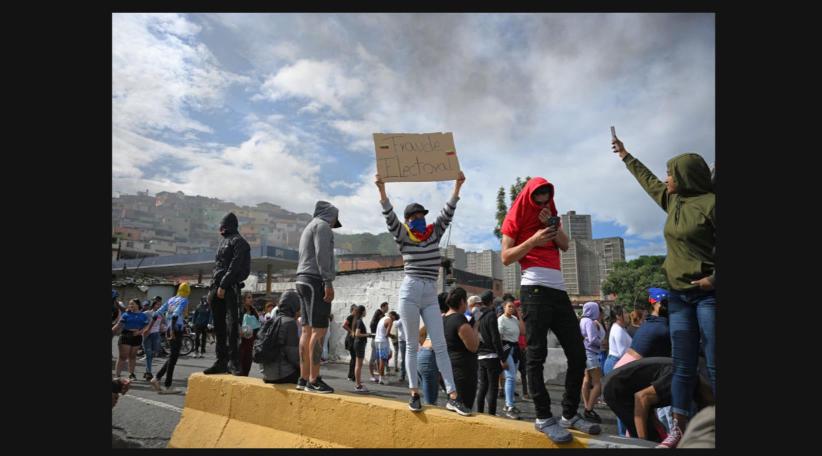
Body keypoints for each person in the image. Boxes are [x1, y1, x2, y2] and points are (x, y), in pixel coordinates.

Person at [613, 136, 715, 448]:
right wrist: (627, 155)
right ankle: (680, 429)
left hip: (708, 295)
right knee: (682, 366)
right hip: (678, 297)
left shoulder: (712, 203)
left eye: (671, 173)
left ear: (685, 176)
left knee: (714, 362)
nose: (666, 178)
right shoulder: (673, 202)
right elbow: (648, 181)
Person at [500, 176, 601, 443]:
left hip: (559, 291)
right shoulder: (515, 217)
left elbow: (565, 246)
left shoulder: (550, 214)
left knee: (579, 354)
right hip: (533, 289)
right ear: (529, 197)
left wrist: (552, 225)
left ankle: (569, 414)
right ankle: (544, 417)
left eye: (547, 197)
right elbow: (506, 257)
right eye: (538, 197)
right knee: (536, 355)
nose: (543, 202)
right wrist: (533, 240)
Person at [375, 171, 472, 417]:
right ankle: (414, 394)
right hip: (410, 289)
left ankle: (452, 396)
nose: (421, 219)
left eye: (422, 216)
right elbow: (389, 215)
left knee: (440, 344)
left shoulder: (433, 233)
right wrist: (381, 189)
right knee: (410, 345)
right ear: (408, 219)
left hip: (430, 291)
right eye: (416, 216)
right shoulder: (403, 236)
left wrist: (457, 186)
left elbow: (447, 213)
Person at [602, 357, 714, 445]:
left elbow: (647, 400)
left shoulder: (690, 380)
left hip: (625, 384)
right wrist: (643, 443)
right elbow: (641, 398)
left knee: (656, 436)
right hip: (617, 388)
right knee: (647, 440)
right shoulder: (683, 379)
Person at [295, 201, 341, 394]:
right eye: (334, 221)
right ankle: (314, 380)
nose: (333, 225)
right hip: (315, 280)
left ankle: (303, 378)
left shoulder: (309, 226)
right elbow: (323, 254)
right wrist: (327, 281)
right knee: (320, 330)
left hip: (302, 278)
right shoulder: (322, 226)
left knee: (306, 331)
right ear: (330, 216)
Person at [204, 212, 251, 376]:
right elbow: (218, 266)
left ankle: (233, 362)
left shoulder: (240, 243)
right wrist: (214, 287)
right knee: (219, 326)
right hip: (217, 286)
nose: (220, 229)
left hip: (229, 287)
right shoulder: (224, 241)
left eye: (222, 226)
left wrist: (224, 284)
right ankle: (221, 361)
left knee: (232, 326)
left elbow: (237, 266)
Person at [615, 288, 671, 369]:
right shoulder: (658, 327)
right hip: (625, 376)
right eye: (665, 304)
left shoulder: (649, 325)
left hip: (621, 374)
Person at [443, 288, 480, 411]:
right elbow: (473, 346)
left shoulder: (443, 319)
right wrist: (475, 327)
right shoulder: (459, 319)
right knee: (464, 406)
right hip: (463, 370)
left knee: (454, 405)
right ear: (462, 301)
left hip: (449, 367)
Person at [150, 283, 190, 394]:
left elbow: (158, 312)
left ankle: (156, 378)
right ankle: (167, 385)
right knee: (173, 358)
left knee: (173, 356)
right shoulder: (184, 300)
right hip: (176, 329)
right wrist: (173, 329)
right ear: (187, 291)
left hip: (169, 328)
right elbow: (176, 314)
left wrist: (153, 321)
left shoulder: (171, 299)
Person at [260, 290, 302, 385]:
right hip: (281, 375)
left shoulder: (273, 320)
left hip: (267, 374)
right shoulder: (290, 323)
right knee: (308, 379)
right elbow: (293, 356)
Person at [602, 305, 632, 436]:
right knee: (622, 404)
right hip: (617, 363)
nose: (628, 315)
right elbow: (622, 353)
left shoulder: (619, 328)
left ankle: (624, 433)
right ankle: (623, 434)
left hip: (616, 363)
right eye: (625, 312)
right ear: (619, 316)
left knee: (621, 403)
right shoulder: (618, 330)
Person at [476, 290, 506, 416]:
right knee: (493, 388)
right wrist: (502, 357)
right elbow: (495, 338)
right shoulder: (491, 315)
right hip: (492, 356)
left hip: (480, 355)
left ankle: (480, 412)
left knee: (482, 386)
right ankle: (492, 415)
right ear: (491, 301)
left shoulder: (478, 315)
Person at [498, 299, 525, 420]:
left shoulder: (514, 319)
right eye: (509, 306)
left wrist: (519, 316)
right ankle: (509, 406)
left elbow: (523, 332)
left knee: (513, 377)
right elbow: (498, 339)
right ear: (504, 307)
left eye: (513, 307)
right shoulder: (501, 320)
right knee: (510, 376)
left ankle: (509, 404)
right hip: (506, 347)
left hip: (515, 348)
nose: (511, 309)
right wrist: (501, 358)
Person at [579, 302, 606, 424]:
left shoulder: (582, 320)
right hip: (591, 354)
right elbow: (592, 339)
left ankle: (587, 406)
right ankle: (589, 409)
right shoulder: (589, 322)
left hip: (584, 353)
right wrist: (602, 343)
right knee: (598, 383)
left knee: (586, 380)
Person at [113, 299, 150, 380]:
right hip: (126, 335)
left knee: (132, 356)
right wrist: (112, 330)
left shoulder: (143, 315)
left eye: (132, 304)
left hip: (137, 336)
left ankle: (131, 374)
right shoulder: (126, 314)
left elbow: (147, 325)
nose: (130, 305)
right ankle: (117, 375)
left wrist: (140, 332)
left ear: (138, 305)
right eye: (129, 304)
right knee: (123, 357)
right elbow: (119, 324)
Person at [373, 310, 399, 385]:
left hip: (377, 340)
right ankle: (381, 378)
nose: (393, 321)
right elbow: (387, 334)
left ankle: (380, 376)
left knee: (381, 358)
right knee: (383, 359)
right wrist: (393, 336)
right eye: (394, 319)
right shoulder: (390, 320)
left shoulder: (382, 318)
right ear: (392, 316)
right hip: (383, 341)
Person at [141, 297, 163, 381]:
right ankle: (148, 372)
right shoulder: (146, 313)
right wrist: (144, 330)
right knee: (148, 354)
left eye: (160, 305)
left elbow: (163, 323)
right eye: (158, 304)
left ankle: (147, 371)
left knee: (154, 352)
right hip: (147, 335)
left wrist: (162, 326)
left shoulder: (161, 314)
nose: (159, 306)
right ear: (153, 305)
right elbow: (141, 321)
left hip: (156, 335)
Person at [239, 293, 261, 376]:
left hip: (251, 340)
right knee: (240, 358)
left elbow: (258, 325)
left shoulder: (254, 311)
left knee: (248, 360)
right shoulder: (240, 310)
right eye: (248, 298)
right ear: (244, 300)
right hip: (241, 340)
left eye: (251, 298)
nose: (251, 299)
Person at [350, 305, 370, 393]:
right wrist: (367, 335)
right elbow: (357, 334)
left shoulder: (356, 321)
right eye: (365, 311)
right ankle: (358, 385)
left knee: (358, 365)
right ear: (362, 312)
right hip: (359, 344)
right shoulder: (359, 321)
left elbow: (354, 334)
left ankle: (358, 383)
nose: (366, 312)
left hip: (358, 344)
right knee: (358, 365)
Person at [369, 302, 388, 381]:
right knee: (373, 358)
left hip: (378, 339)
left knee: (380, 357)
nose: (387, 308)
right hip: (376, 339)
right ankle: (372, 375)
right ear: (382, 307)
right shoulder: (379, 314)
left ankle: (378, 372)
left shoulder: (382, 316)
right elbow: (372, 324)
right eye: (386, 307)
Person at [343, 304, 358, 382]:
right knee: (354, 358)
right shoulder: (350, 317)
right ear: (352, 310)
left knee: (354, 358)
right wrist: (351, 331)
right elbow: (344, 325)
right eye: (355, 310)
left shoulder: (356, 318)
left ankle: (352, 376)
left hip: (353, 339)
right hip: (350, 340)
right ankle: (351, 376)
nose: (356, 311)